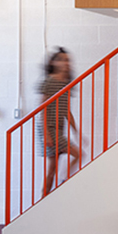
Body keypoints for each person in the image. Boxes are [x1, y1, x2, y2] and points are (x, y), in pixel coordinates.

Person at [40, 48, 82, 197]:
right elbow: (43, 109)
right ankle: (64, 180)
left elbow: (66, 111)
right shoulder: (50, 81)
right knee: (77, 154)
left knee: (52, 169)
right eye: (62, 60)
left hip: (59, 129)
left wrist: (76, 131)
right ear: (54, 63)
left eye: (67, 60)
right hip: (50, 129)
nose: (66, 63)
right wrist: (46, 134)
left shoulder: (66, 84)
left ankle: (44, 198)